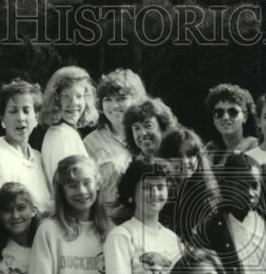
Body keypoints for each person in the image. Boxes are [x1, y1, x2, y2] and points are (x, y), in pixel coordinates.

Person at [29, 154, 110, 274]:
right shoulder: (49, 231)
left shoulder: (110, 233)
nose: (81, 191)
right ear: (62, 191)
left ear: (97, 183)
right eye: (72, 186)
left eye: (86, 182)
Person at [104, 156, 183, 274]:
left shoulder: (173, 239)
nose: (155, 194)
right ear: (132, 192)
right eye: (147, 188)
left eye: (160, 187)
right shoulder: (121, 236)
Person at [0, 78, 52, 216]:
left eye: (26, 110)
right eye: (13, 111)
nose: (20, 118)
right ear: (2, 119)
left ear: (36, 117)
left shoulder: (38, 157)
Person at [86, 68, 146, 207]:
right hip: (109, 222)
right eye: (108, 99)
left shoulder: (148, 137)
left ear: (137, 101)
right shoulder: (90, 144)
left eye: (122, 98)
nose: (114, 105)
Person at [158, 127, 221, 246]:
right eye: (177, 156)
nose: (185, 162)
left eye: (190, 155)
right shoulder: (158, 193)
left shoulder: (207, 195)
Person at [39, 65, 97, 184]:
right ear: (55, 100)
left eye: (79, 96)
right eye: (66, 96)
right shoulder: (61, 136)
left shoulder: (67, 132)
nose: (74, 103)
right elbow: (68, 188)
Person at [0, 182, 41, 274]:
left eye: (21, 208)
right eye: (7, 210)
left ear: (33, 210)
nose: (15, 216)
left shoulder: (44, 242)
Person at [204, 83, 259, 166]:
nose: (225, 117)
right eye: (219, 112)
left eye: (232, 112)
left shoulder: (255, 147)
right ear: (214, 119)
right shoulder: (211, 149)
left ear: (245, 117)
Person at [123, 96, 178, 160]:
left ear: (163, 128)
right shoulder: (134, 167)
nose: (143, 133)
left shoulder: (181, 159)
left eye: (148, 126)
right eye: (137, 128)